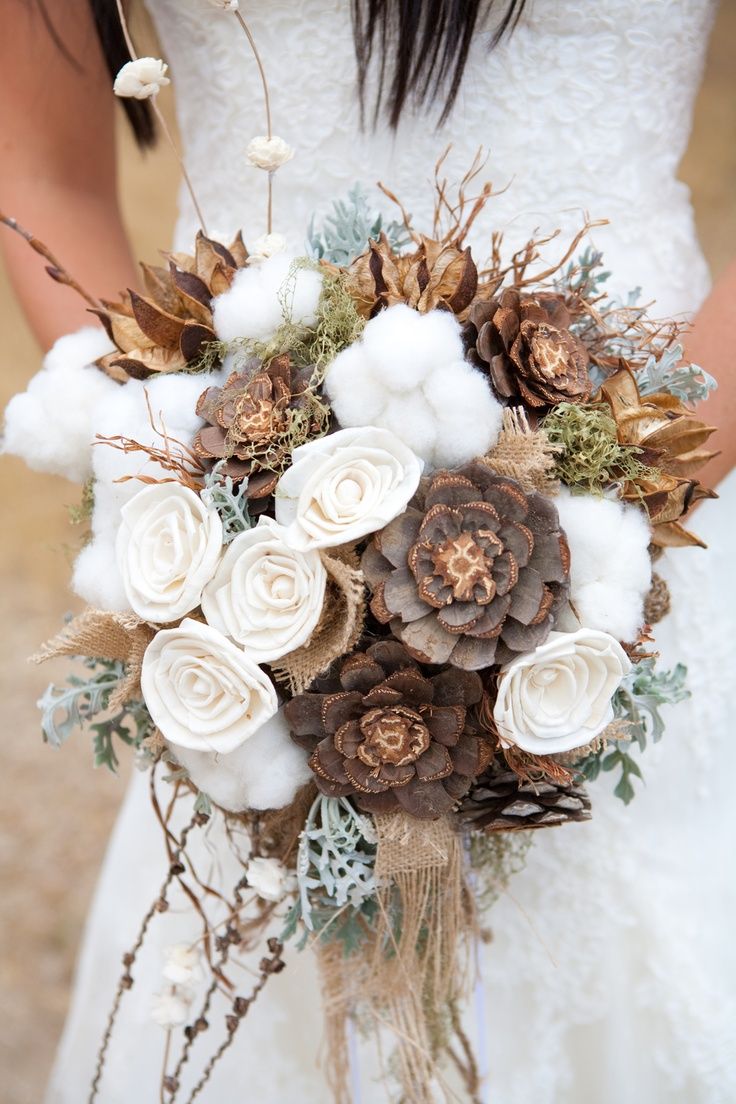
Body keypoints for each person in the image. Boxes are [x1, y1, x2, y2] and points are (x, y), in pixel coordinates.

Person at [1, 1, 734, 1101]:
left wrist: (599, 516)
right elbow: (44, 175)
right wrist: (185, 492)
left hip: (655, 533)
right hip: (258, 575)